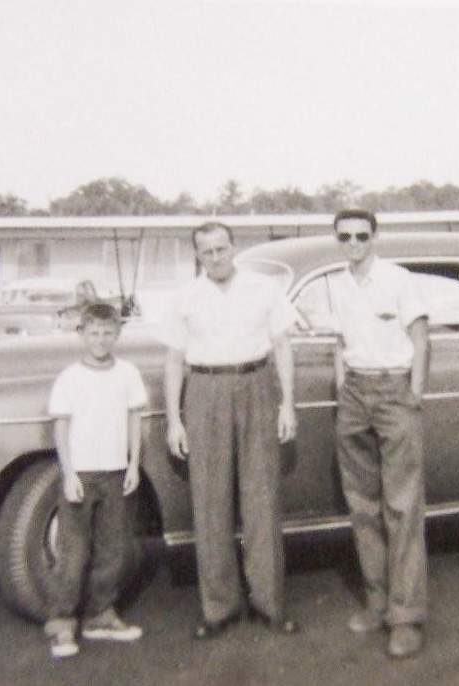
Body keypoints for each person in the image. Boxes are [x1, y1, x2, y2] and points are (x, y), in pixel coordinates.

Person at [162, 221, 300, 640]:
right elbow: (173, 360)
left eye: (222, 249)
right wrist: (174, 419)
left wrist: (287, 404)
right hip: (204, 390)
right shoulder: (184, 298)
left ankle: (269, 605)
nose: (216, 257)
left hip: (256, 385)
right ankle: (218, 608)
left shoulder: (263, 289)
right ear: (198, 256)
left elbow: (281, 347)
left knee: (261, 499)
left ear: (233, 248)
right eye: (207, 252)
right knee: (210, 501)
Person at [329, 209, 430, 659]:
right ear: (338, 240)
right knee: (362, 504)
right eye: (345, 237)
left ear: (374, 237)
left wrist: (414, 394)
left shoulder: (399, 279)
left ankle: (406, 617)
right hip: (354, 393)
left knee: (402, 505)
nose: (354, 244)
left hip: (394, 390)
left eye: (361, 236)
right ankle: (377, 601)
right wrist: (340, 381)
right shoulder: (339, 283)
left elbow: (422, 338)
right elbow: (339, 340)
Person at [44, 303, 149, 659]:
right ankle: (62, 624)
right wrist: (69, 472)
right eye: (93, 333)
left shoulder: (128, 373)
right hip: (82, 476)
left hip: (117, 472)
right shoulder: (70, 377)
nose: (100, 340)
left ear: (117, 335)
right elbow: (61, 427)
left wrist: (134, 464)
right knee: (73, 553)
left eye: (107, 333)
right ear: (81, 335)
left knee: (113, 550)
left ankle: (100, 616)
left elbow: (136, 418)